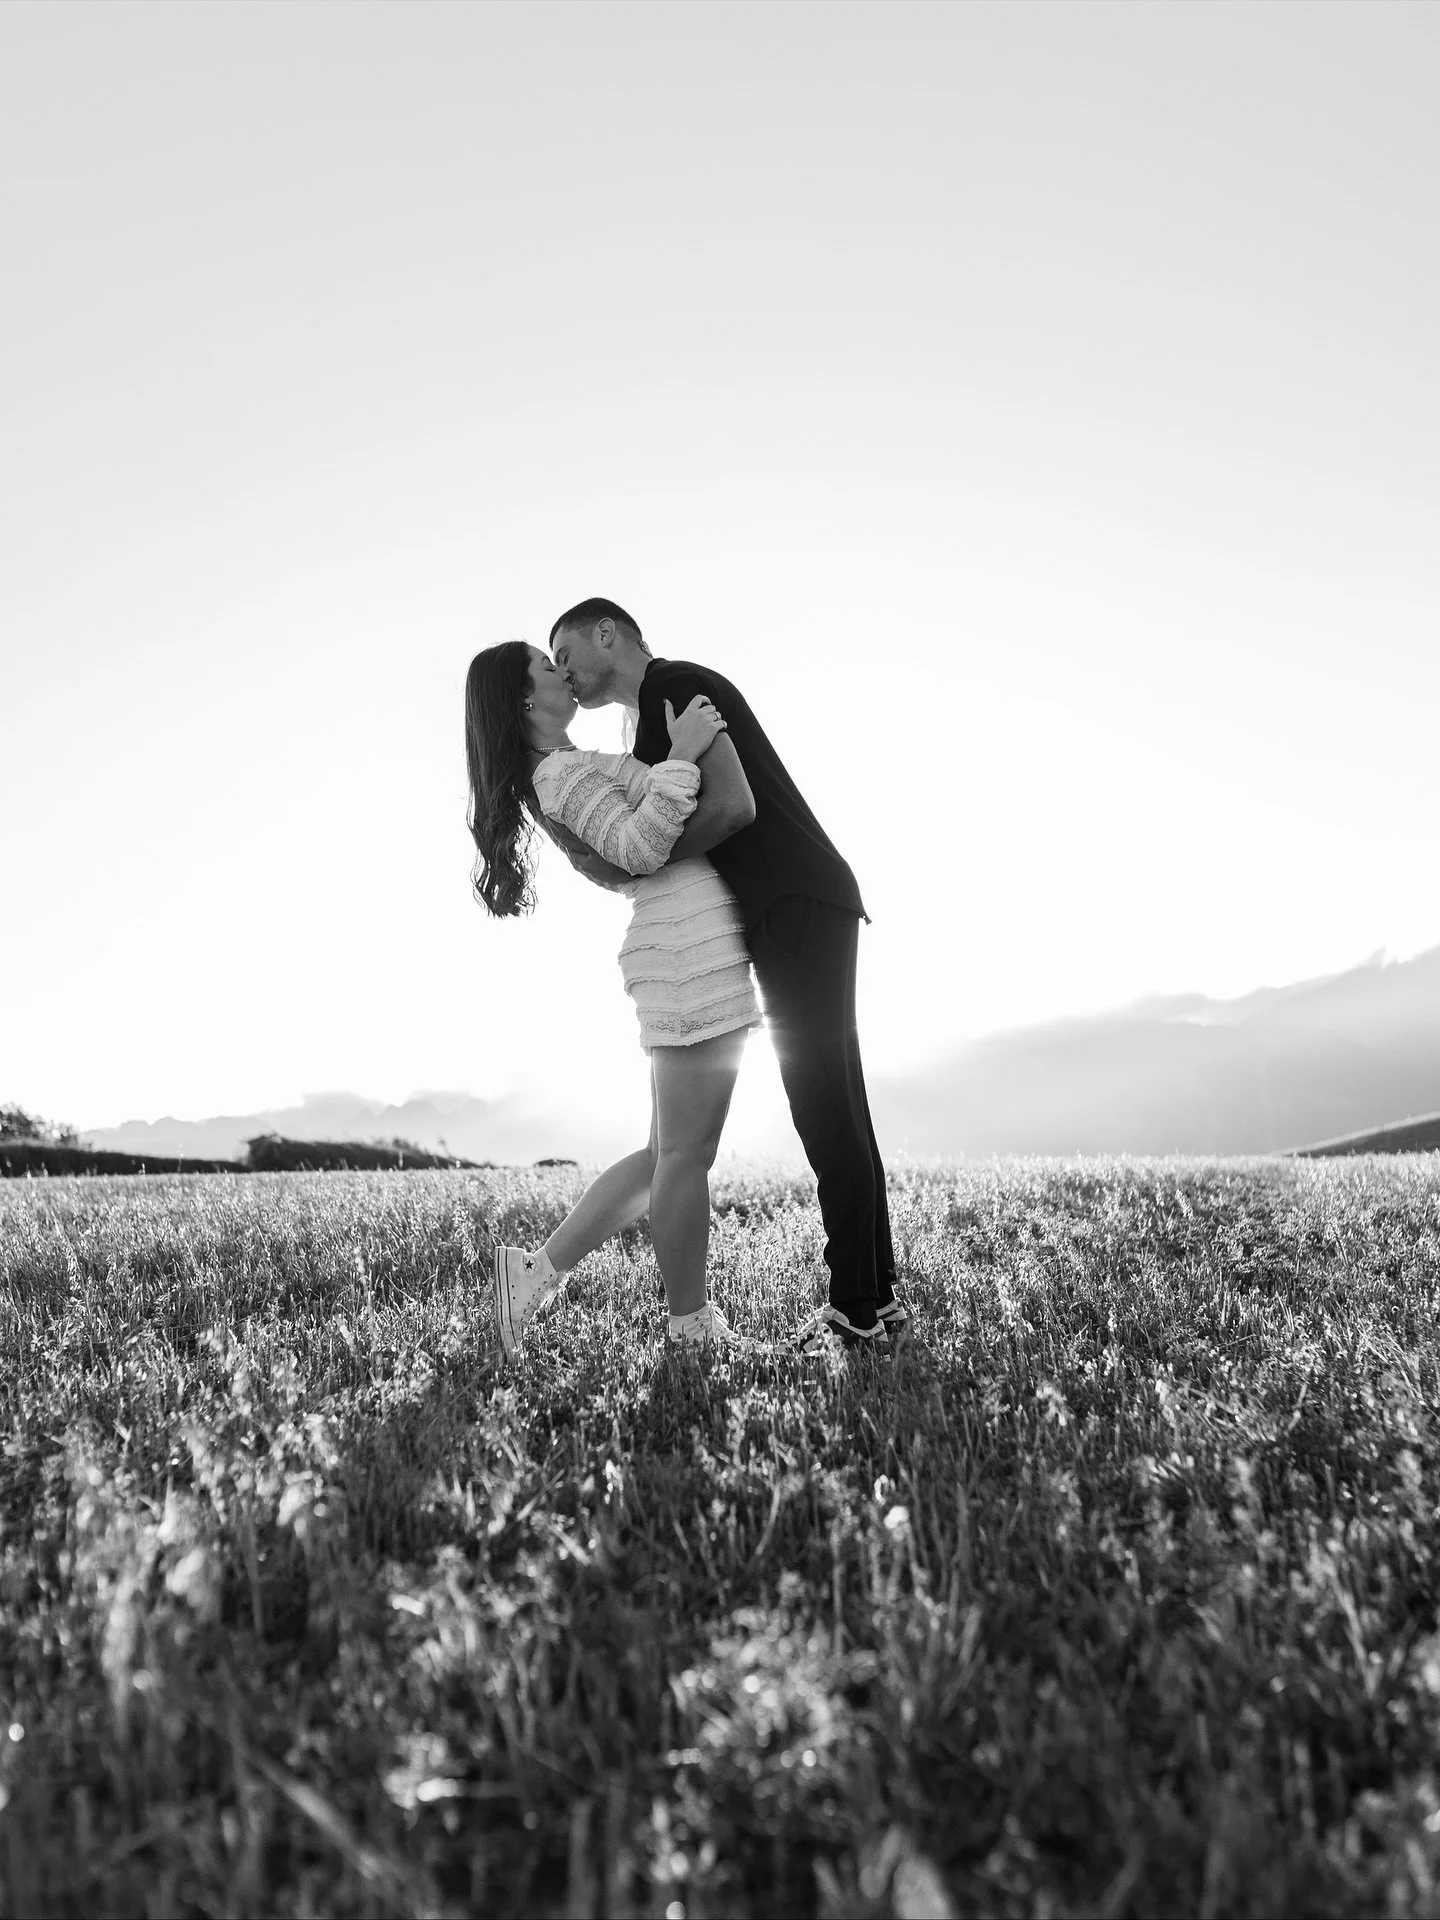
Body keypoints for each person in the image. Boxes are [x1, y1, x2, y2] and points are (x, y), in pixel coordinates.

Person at [550, 597, 907, 1354]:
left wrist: (636, 859)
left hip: (794, 902)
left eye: (565, 655)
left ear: (605, 633)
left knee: (822, 1103)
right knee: (838, 1099)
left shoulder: (671, 686)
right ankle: (877, 1297)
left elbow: (735, 806)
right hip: (804, 901)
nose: (564, 675)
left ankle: (856, 1307)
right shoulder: (653, 712)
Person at [464, 639, 762, 1354]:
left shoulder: (565, 768)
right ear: (524, 700)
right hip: (687, 946)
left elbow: (624, 849)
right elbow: (637, 847)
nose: (560, 672)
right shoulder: (561, 774)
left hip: (680, 941)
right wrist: (684, 753)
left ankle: (532, 1273)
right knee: (688, 1157)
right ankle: (691, 1330)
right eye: (545, 664)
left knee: (666, 1151)